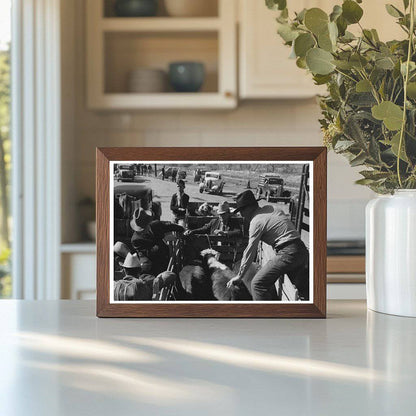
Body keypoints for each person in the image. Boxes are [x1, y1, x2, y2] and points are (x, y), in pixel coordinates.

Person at [226, 190, 309, 300]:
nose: (241, 214)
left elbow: (250, 251)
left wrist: (240, 275)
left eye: (241, 210)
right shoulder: (271, 208)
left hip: (288, 252)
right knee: (298, 288)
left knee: (257, 284)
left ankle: (264, 314)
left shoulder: (256, 221)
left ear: (248, 208)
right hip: (301, 250)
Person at [130, 207, 184, 275]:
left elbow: (169, 226)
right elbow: (148, 253)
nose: (145, 229)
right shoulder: (136, 240)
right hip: (153, 263)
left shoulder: (155, 225)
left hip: (166, 256)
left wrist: (181, 229)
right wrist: (163, 240)